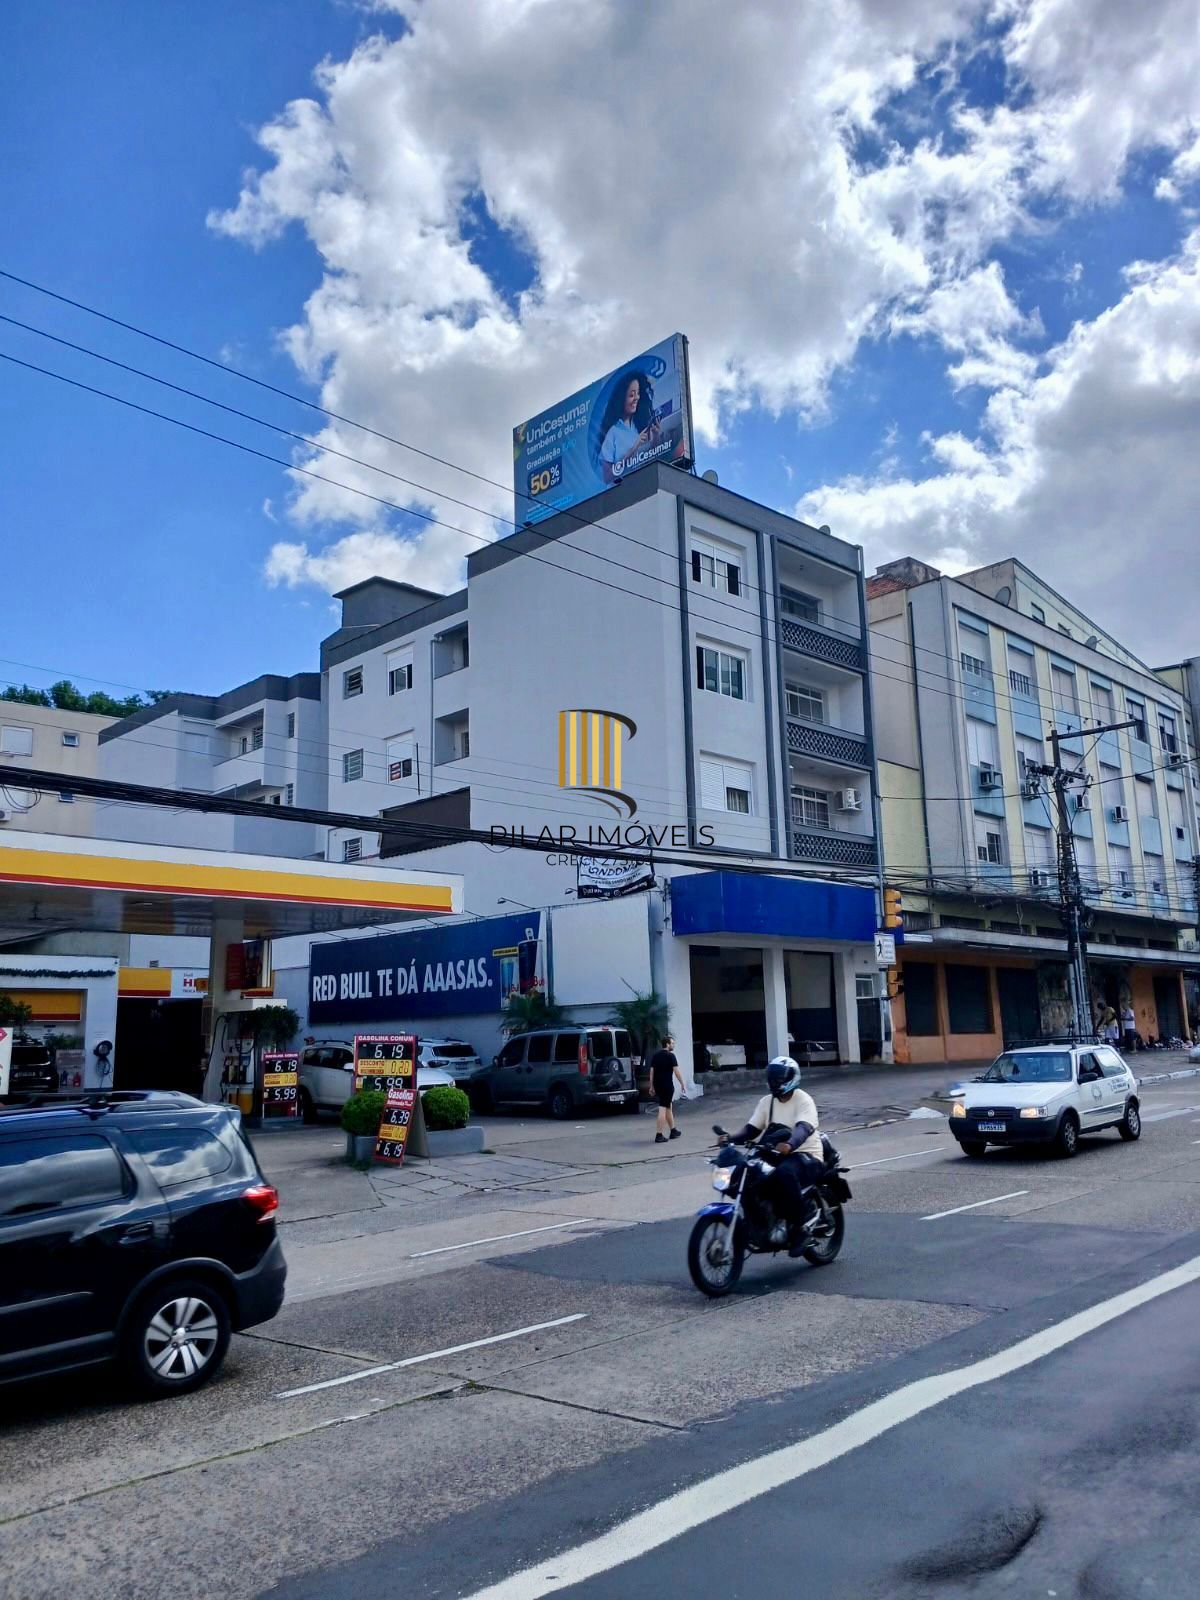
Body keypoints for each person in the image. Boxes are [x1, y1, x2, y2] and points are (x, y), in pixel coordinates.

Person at [722, 1057, 824, 1256]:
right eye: (772, 1079)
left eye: (779, 1079)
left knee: (784, 1174)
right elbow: (751, 1129)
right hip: (774, 1152)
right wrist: (730, 1138)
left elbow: (803, 1128)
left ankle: (801, 1228)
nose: (774, 1083)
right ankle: (761, 1222)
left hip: (806, 1154)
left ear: (791, 1079)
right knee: (747, 1171)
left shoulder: (803, 1099)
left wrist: (790, 1144)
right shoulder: (767, 1102)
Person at [598, 371, 661, 486]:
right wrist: (633, 448)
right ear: (621, 400)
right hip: (620, 496)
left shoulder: (640, 424)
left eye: (637, 393)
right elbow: (607, 477)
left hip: (645, 486)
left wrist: (656, 437)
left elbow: (652, 460)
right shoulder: (613, 433)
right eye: (631, 395)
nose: (636, 398)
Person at [649, 1035, 686, 1143]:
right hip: (667, 1086)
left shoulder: (655, 1056)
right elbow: (676, 1071)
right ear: (667, 1044)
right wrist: (682, 1083)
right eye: (672, 1043)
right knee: (663, 1109)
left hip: (658, 1085)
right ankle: (659, 1135)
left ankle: (673, 1131)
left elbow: (652, 1072)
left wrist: (651, 1086)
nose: (673, 1045)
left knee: (668, 1106)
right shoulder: (671, 1056)